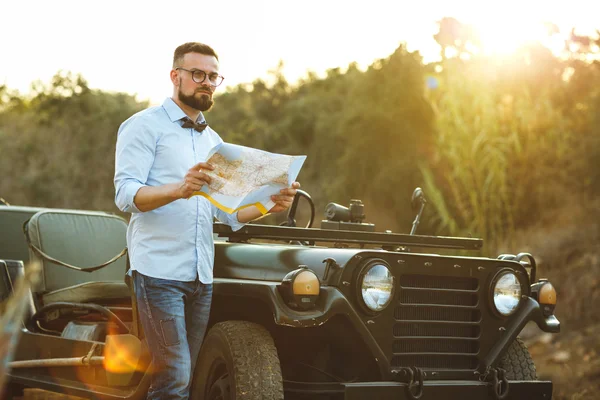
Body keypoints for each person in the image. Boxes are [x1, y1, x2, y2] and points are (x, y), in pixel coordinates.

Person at [114, 42, 300, 400]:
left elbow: (225, 212)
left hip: (201, 276)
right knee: (175, 379)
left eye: (213, 76)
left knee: (181, 376)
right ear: (176, 76)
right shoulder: (142, 126)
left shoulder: (214, 143)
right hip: (158, 272)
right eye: (198, 74)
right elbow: (126, 195)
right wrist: (180, 189)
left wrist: (269, 207)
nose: (207, 82)